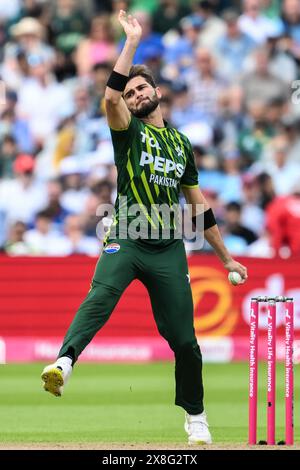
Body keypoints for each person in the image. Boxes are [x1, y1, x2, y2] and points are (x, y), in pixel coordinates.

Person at [41, 10, 248, 446]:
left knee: (185, 341)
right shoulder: (127, 131)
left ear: (158, 92)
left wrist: (225, 256)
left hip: (168, 246)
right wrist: (130, 44)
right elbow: (110, 98)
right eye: (131, 92)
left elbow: (199, 205)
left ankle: (196, 416)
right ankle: (64, 363)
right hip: (128, 236)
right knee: (102, 295)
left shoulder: (182, 143)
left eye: (141, 89)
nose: (134, 96)